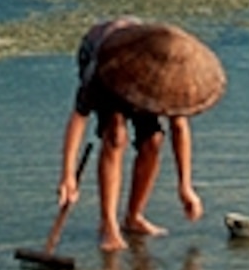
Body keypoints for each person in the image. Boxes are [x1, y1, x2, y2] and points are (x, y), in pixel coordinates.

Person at [58, 18, 223, 253]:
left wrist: (185, 186)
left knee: (154, 140)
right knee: (115, 135)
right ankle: (108, 224)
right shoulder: (103, 67)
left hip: (146, 64)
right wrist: (67, 176)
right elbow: (78, 118)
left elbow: (179, 127)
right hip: (107, 61)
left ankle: (133, 217)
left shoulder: (169, 78)